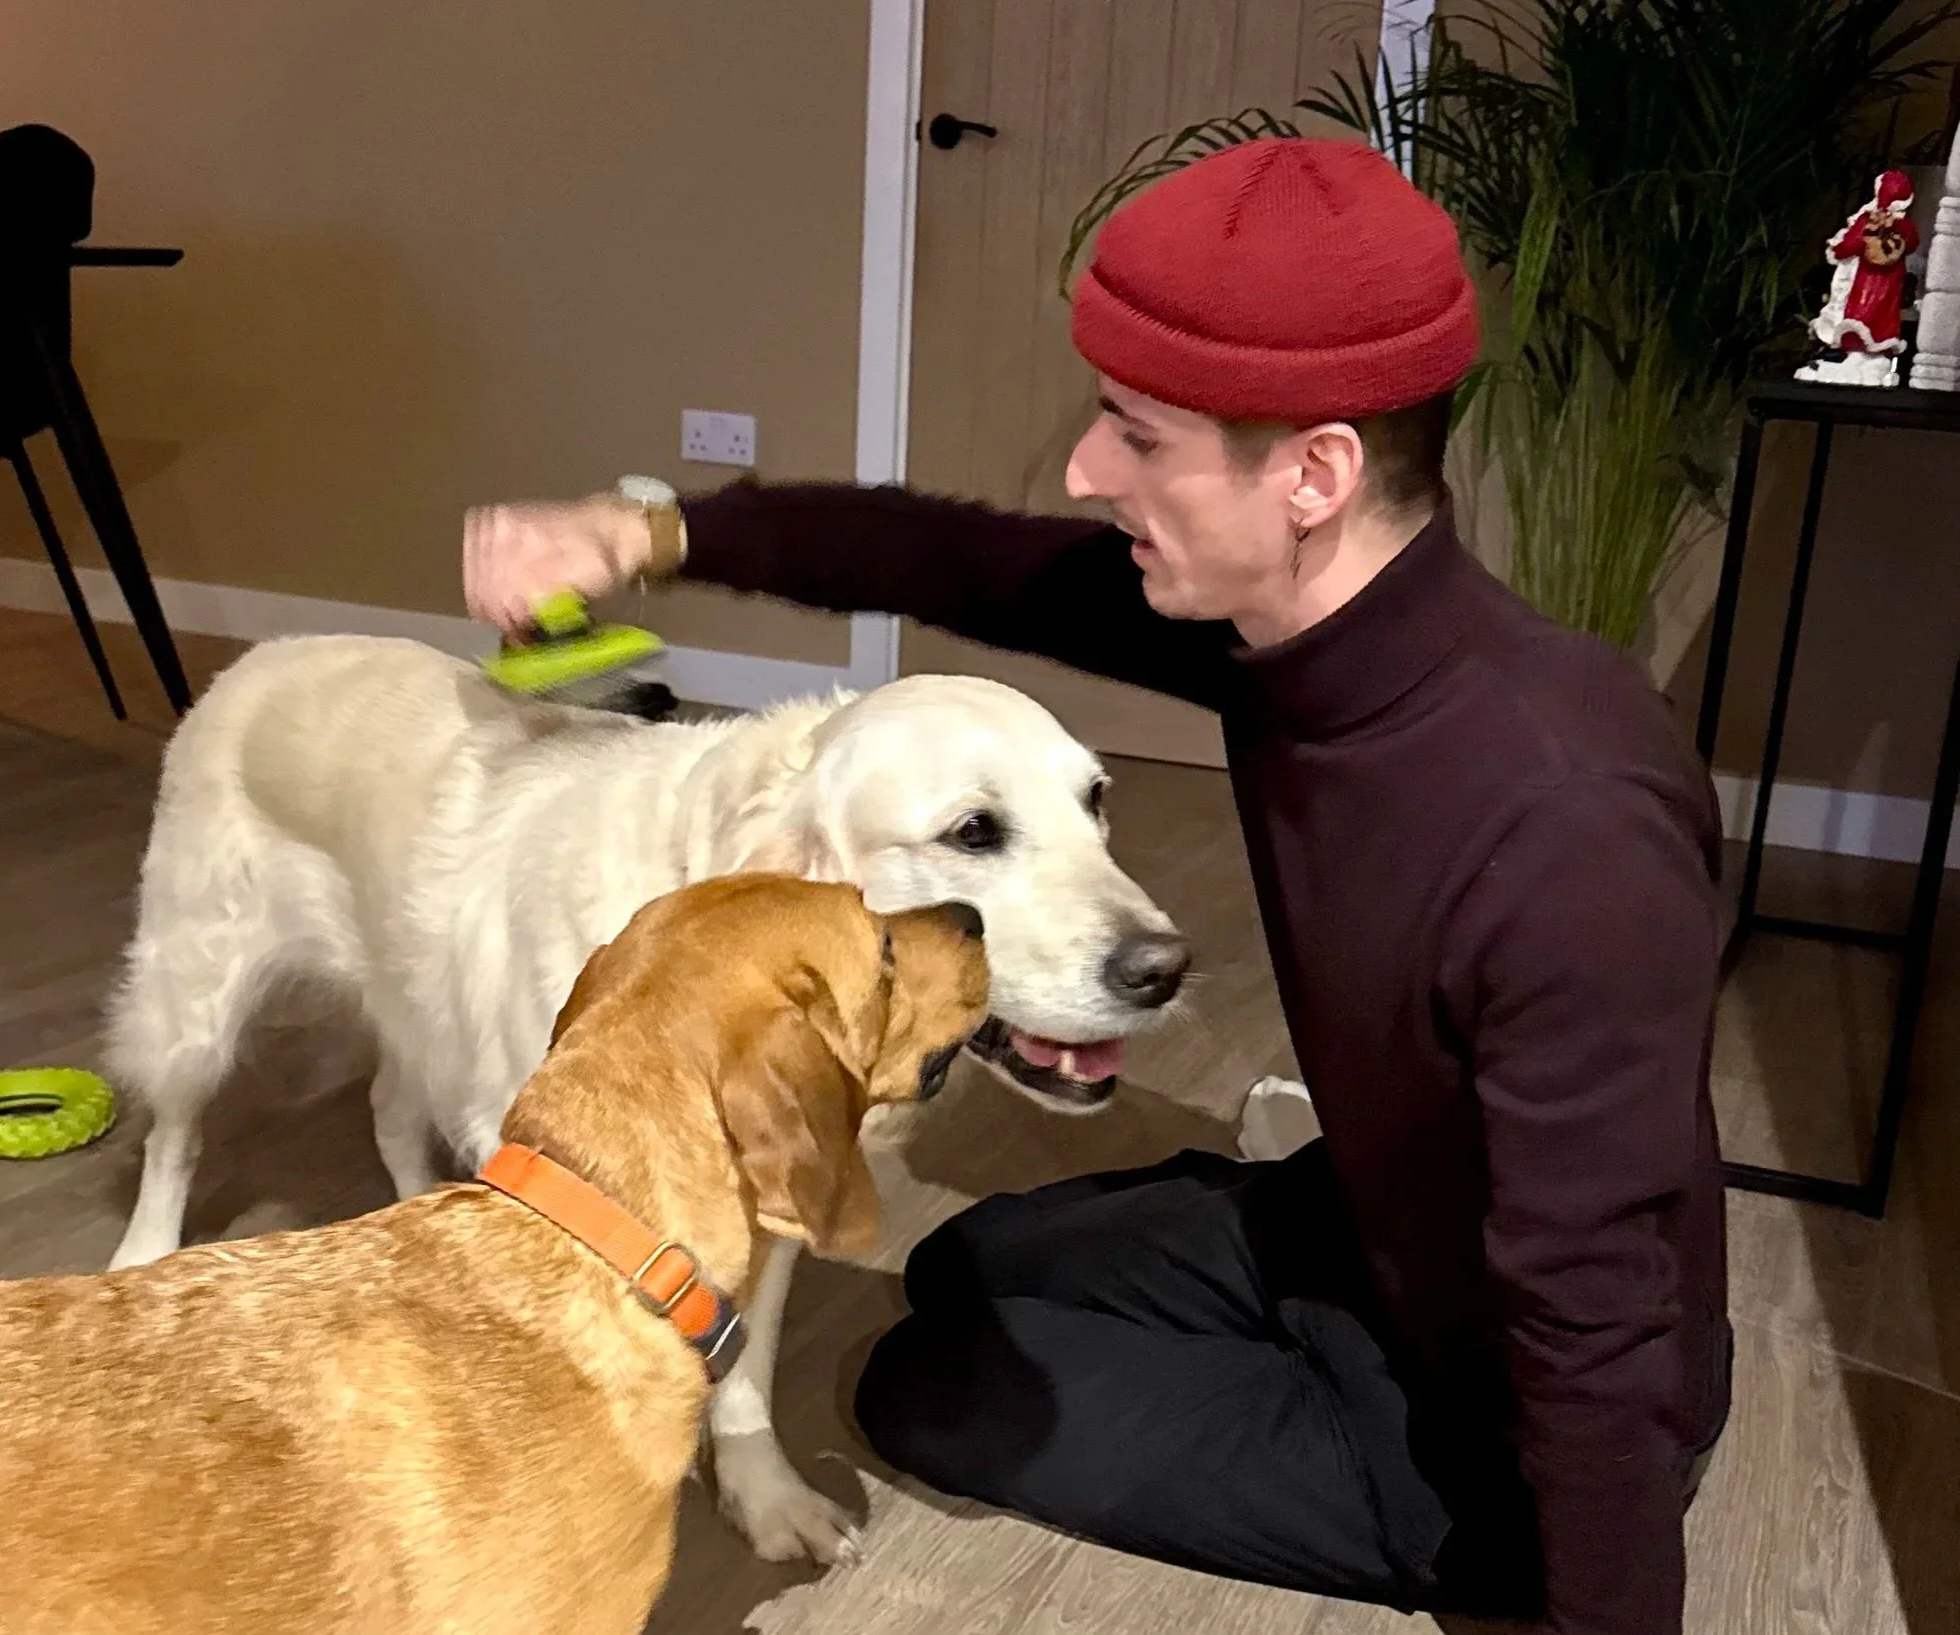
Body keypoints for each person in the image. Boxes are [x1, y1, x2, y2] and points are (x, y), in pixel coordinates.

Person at [461, 138, 1731, 1635]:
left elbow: (1596, 1312)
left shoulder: (1566, 824)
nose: (1084, 471)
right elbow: (954, 559)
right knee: (966, 1259)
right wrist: (641, 533)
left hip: (1490, 1413)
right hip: (1369, 1230)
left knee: (922, 1384)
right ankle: (1279, 1301)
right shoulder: (1287, 632)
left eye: (1137, 434)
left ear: (1313, 474)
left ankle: (1378, 1463)